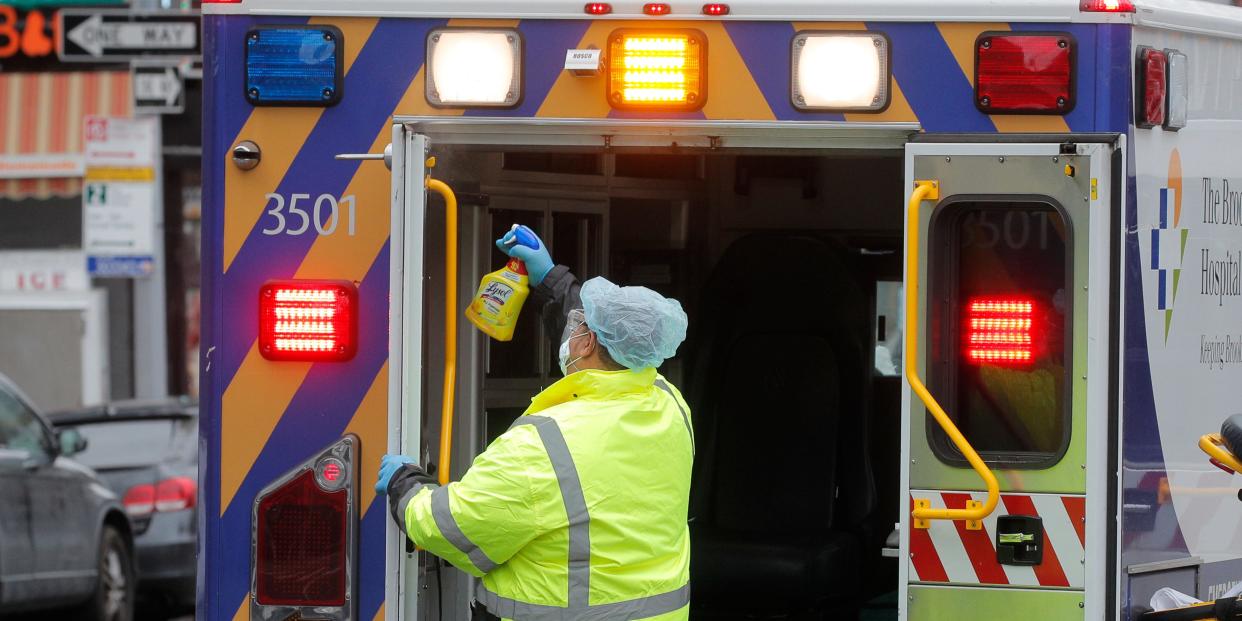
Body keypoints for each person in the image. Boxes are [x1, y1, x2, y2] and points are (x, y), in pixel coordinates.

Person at [376, 225, 694, 620]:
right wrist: (550, 279)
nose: (572, 329)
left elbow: (455, 526)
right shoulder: (668, 404)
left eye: (580, 325)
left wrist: (404, 484)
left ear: (590, 342)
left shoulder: (545, 445)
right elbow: (615, 336)